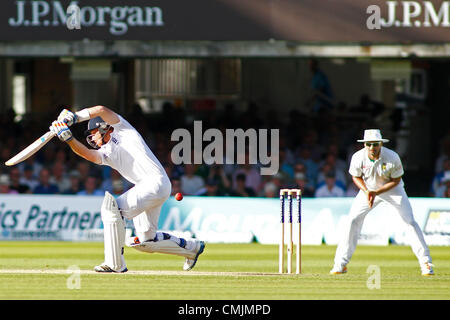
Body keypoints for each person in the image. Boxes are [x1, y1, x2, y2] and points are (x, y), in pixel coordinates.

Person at [49, 106, 205, 273]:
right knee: (145, 242)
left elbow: (101, 109)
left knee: (111, 209)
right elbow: (88, 154)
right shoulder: (105, 152)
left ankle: (115, 264)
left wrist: (74, 117)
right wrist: (69, 139)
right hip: (151, 187)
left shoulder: (123, 130)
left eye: (93, 132)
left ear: (104, 127)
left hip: (155, 183)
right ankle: (192, 247)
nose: (91, 138)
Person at [330, 129, 434, 276]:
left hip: (393, 190)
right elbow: (356, 177)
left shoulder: (392, 157)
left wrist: (376, 192)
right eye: (369, 144)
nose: (372, 148)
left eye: (375, 144)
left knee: (409, 221)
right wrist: (367, 191)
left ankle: (426, 263)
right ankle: (340, 264)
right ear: (365, 144)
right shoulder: (358, 157)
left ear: (381, 144)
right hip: (368, 190)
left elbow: (396, 180)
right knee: (352, 220)